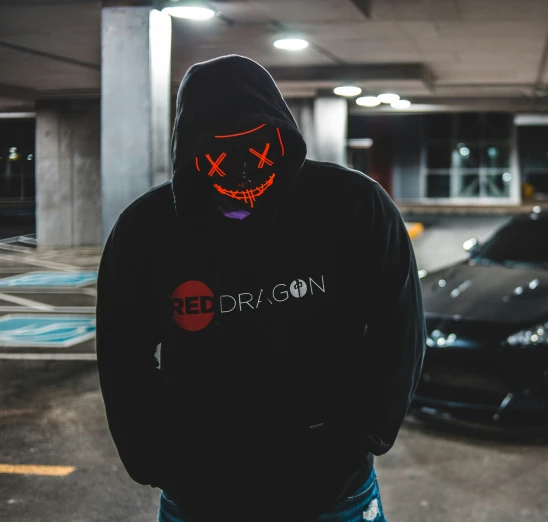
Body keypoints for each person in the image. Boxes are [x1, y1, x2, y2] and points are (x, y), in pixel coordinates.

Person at [96, 54, 425, 522]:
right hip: (201, 497)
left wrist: (358, 439)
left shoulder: (352, 206)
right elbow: (122, 354)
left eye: (255, 148)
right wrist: (157, 460)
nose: (243, 169)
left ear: (279, 135)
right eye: (219, 150)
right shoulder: (148, 230)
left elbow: (400, 331)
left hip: (335, 494)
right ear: (192, 148)